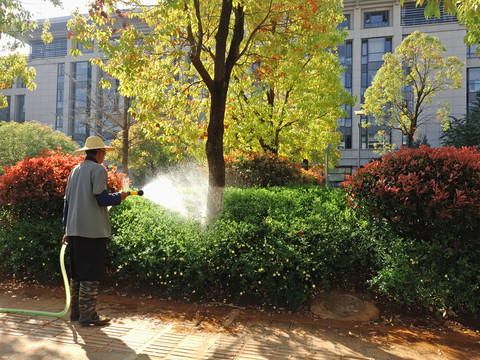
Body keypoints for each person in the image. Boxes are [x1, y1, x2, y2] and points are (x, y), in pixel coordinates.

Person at [62, 136, 129, 326]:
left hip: (74, 230)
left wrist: (65, 230)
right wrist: (119, 197)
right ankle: (88, 316)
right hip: (92, 232)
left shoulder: (74, 171)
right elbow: (102, 199)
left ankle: (76, 313)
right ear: (98, 152)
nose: (105, 155)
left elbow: (66, 204)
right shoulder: (99, 170)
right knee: (91, 275)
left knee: (78, 274)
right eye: (104, 152)